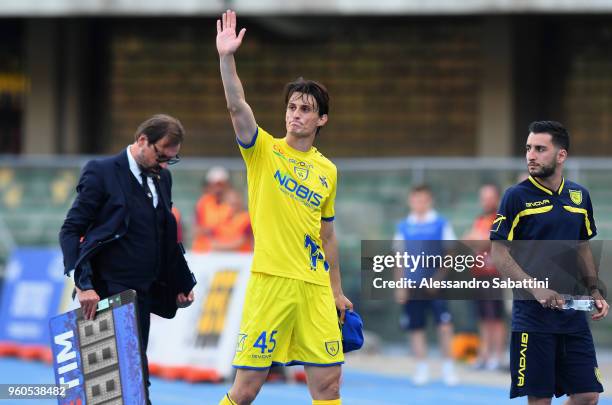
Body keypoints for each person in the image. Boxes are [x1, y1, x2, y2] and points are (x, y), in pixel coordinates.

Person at [216, 10, 353, 405]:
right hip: (271, 283)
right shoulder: (262, 151)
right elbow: (237, 106)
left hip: (314, 288)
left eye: (306, 109)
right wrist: (227, 58)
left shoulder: (328, 170)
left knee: (328, 387)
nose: (296, 114)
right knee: (246, 390)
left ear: (321, 118)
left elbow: (326, 233)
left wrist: (337, 291)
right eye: (293, 107)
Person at [59, 114, 196, 402]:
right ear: (142, 140)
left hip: (141, 295)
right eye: (161, 156)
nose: (164, 164)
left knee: (132, 384)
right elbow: (71, 231)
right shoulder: (102, 171)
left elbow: (166, 235)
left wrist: (182, 283)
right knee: (110, 388)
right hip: (106, 291)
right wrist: (83, 285)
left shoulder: (163, 177)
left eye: (171, 160)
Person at [490, 121, 609, 404]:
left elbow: (582, 246)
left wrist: (594, 290)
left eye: (540, 149)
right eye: (528, 148)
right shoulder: (515, 197)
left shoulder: (580, 196)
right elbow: (499, 253)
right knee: (540, 401)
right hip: (532, 317)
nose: (531, 155)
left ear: (561, 155)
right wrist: (537, 289)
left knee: (588, 396)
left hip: (572, 315)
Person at [393, 184, 459, 386]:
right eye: (416, 199)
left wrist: (438, 277)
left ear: (430, 200)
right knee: (416, 326)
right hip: (413, 285)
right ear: (410, 201)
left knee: (445, 325)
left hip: (437, 286)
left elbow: (451, 252)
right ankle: (421, 367)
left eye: (423, 199)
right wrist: (400, 285)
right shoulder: (404, 226)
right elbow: (399, 257)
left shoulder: (441, 223)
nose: (419, 203)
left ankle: (448, 367)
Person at [463, 183, 506, 371]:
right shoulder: (480, 219)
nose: (486, 201)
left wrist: (478, 240)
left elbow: (485, 241)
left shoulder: (501, 218)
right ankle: (485, 355)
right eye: (483, 197)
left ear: (497, 198)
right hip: (479, 274)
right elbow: (466, 240)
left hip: (495, 275)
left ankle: (498, 356)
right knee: (483, 317)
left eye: (490, 197)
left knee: (495, 318)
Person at [192, 166, 234, 252]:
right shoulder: (203, 203)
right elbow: (197, 229)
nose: (218, 188)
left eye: (221, 184)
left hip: (226, 251)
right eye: (215, 184)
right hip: (204, 251)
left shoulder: (233, 203)